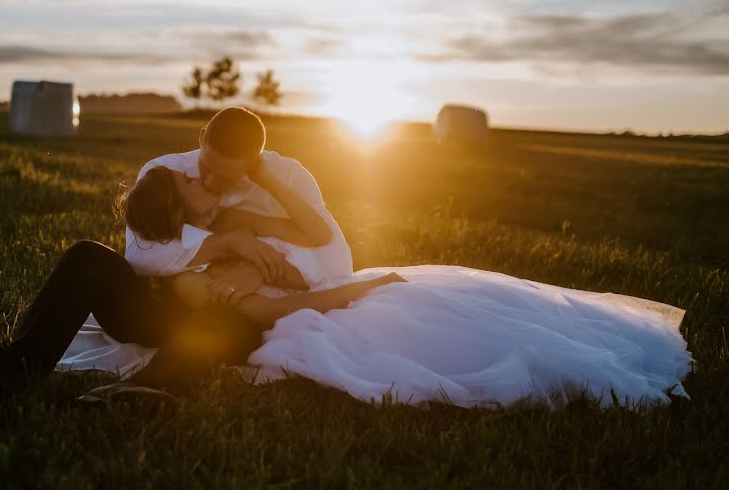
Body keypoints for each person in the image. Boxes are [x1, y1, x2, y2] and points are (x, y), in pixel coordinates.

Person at [67, 161, 695, 411]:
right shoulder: (180, 231)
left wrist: (330, 284)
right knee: (89, 261)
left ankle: (152, 390)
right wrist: (226, 253)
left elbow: (314, 253)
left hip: (265, 301)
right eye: (192, 189)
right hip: (203, 301)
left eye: (199, 183)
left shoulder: (253, 195)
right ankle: (10, 362)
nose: (199, 182)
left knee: (230, 319)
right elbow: (157, 258)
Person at [0, 107, 357, 396]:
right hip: (155, 309)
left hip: (226, 316)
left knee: (228, 321)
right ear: (200, 139)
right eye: (205, 167)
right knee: (86, 256)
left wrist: (258, 269)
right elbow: (141, 257)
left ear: (256, 161)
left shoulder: (290, 177)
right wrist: (225, 243)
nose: (208, 180)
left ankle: (143, 390)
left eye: (226, 176)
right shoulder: (166, 173)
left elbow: (335, 255)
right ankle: (13, 371)